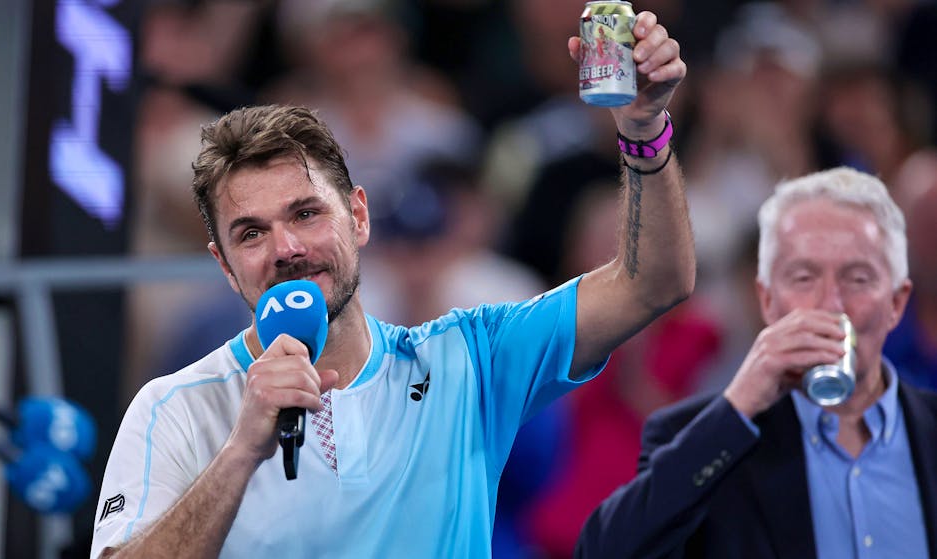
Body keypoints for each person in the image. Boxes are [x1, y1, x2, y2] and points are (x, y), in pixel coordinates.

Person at [91, 11, 692, 559]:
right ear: (224, 265)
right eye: (251, 233)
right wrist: (240, 451)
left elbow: (653, 282)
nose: (286, 248)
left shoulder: (469, 359)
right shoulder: (173, 407)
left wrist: (643, 130)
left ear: (358, 216)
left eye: (306, 213)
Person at [575, 167, 937, 559]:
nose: (831, 304)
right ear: (766, 301)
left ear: (897, 303)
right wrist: (735, 409)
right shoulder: (702, 439)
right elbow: (604, 552)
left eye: (858, 278)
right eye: (804, 277)